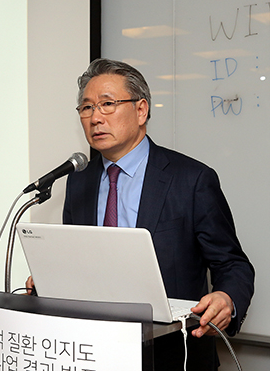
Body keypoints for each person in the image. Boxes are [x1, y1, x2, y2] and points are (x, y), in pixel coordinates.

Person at [26, 58, 254, 370]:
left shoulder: (191, 179)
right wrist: (52, 280)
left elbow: (232, 264)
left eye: (107, 104)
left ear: (141, 110)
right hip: (97, 353)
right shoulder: (79, 182)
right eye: (87, 107)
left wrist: (227, 298)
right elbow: (85, 265)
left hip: (174, 355)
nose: (95, 118)